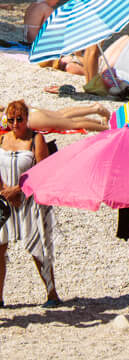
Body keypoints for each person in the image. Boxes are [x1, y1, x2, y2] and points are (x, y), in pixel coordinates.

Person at [0, 100, 57, 305]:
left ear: (26, 119)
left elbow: (42, 171)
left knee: (37, 247)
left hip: (29, 199)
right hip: (5, 200)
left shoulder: (36, 139)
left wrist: (18, 190)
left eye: (19, 119)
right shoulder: (2, 139)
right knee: (0, 247)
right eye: (11, 119)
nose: (15, 124)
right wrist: (4, 192)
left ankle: (52, 293)